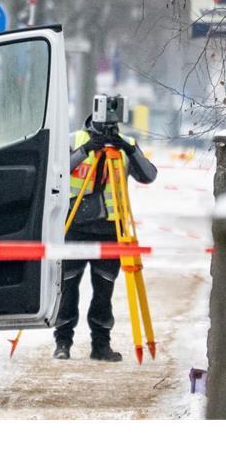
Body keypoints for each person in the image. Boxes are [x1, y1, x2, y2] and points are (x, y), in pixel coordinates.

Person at [53, 115, 158, 361]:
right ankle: (63, 342)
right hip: (75, 227)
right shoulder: (74, 140)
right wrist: (87, 149)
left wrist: (129, 149)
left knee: (104, 291)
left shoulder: (125, 146)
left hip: (111, 229)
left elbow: (148, 176)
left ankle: (101, 345)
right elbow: (56, 172)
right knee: (67, 288)